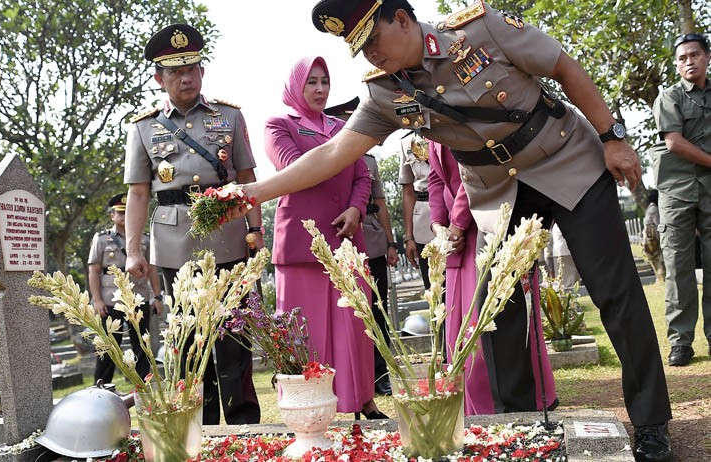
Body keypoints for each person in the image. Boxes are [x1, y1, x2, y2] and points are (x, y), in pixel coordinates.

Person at [232, 2, 673, 460]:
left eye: (372, 41)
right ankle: (517, 428)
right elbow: (331, 155)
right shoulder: (384, 94)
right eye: (359, 49)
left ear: (401, 20)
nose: (370, 56)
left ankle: (651, 423)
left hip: (568, 163)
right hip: (500, 194)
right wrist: (253, 193)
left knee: (616, 292)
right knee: (495, 313)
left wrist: (612, 136)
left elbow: (562, 66)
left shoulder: (481, 29)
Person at [123, 24, 262, 425]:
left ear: (201, 71)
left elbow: (248, 176)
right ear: (158, 78)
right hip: (173, 243)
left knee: (234, 331)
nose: (186, 77)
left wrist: (257, 228)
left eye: (193, 68)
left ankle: (242, 424)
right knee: (187, 337)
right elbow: (137, 193)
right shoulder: (142, 127)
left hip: (229, 235)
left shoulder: (230, 115)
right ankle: (198, 425)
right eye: (174, 72)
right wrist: (134, 250)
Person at [265, 56, 385, 419]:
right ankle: (306, 406)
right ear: (295, 87)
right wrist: (337, 148)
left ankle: (362, 399)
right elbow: (291, 168)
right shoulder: (279, 124)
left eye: (324, 82)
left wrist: (355, 209)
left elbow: (363, 175)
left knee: (355, 324)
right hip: (302, 243)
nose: (319, 89)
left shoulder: (344, 127)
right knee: (306, 330)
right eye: (311, 83)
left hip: (345, 237)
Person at [428, 140, 557, 415]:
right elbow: (436, 179)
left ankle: (503, 402)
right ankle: (474, 404)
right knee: (463, 322)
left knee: (494, 321)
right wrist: (438, 224)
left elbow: (479, 169)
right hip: (455, 238)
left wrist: (457, 222)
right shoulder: (428, 126)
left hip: (491, 223)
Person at [651, 33, 711, 368]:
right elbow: (674, 142)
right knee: (678, 267)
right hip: (676, 190)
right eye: (682, 58)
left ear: (707, 58)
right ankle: (681, 342)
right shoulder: (669, 97)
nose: (688, 62)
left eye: (694, 55)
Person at [88, 193, 162, 383]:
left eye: (126, 212)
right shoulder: (101, 239)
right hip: (110, 299)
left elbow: (153, 270)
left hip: (139, 296)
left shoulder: (144, 239)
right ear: (112, 216)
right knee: (110, 345)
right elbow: (94, 270)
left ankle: (143, 385)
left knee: (142, 344)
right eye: (119, 213)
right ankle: (101, 387)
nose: (122, 216)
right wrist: (96, 300)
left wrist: (157, 296)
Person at [362, 151, 399, 396]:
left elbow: (381, 202)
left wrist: (390, 242)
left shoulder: (369, 160)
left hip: (372, 239)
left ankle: (381, 374)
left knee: (377, 309)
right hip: (339, 237)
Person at [399, 133, 432, 287]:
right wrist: (409, 237)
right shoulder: (407, 141)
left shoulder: (448, 129)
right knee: (432, 286)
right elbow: (408, 191)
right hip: (424, 221)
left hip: (452, 211)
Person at [544, 223, 581, 289]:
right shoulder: (560, 224)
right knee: (571, 279)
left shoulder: (555, 226)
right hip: (566, 253)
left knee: (563, 279)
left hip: (558, 252)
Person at [642, 190, 666, 283]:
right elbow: (658, 224)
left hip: (648, 239)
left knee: (655, 260)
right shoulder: (655, 209)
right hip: (654, 239)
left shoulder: (649, 209)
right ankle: (662, 279)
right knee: (659, 260)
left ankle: (660, 279)